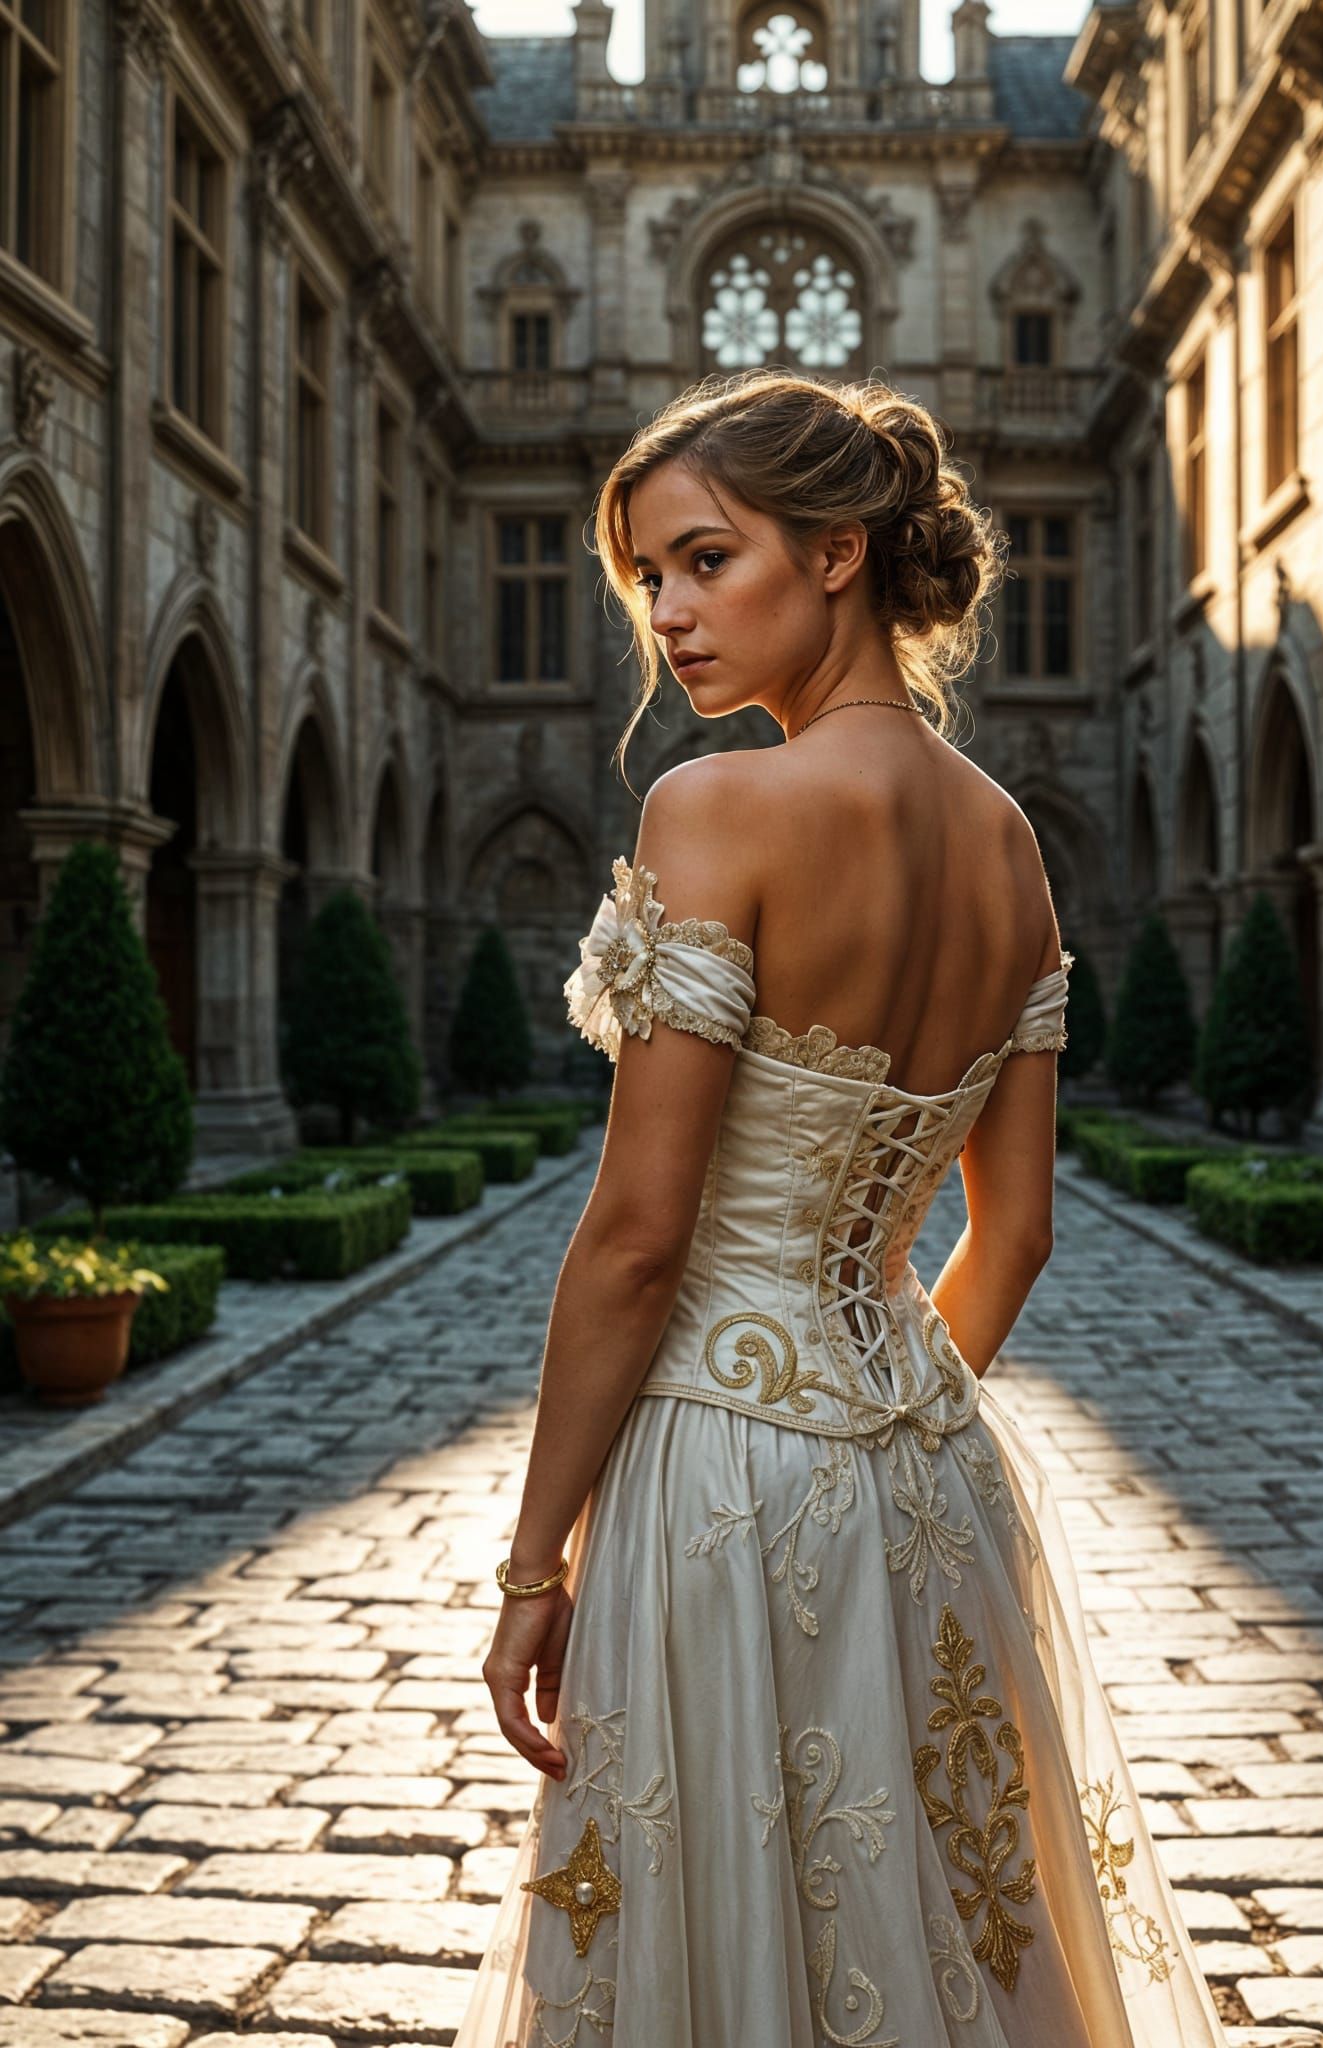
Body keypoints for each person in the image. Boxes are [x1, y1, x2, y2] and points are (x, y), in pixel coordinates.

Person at [453, 369, 1227, 2047]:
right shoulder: (1014, 845)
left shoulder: (717, 807)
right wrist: (880, 1403)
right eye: (646, 577)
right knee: (948, 1918)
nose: (667, 613)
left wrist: (532, 1569)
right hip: (928, 1470)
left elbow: (640, 1237)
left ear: (840, 555)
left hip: (720, 1467)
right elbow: (1011, 1233)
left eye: (704, 560)